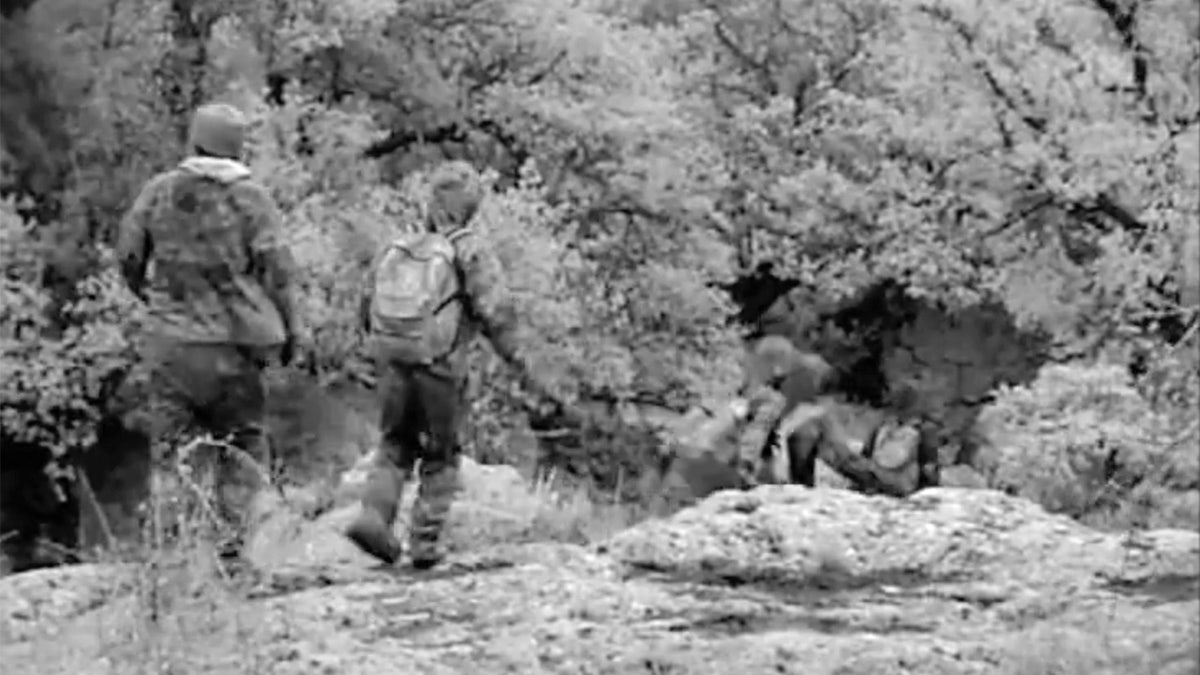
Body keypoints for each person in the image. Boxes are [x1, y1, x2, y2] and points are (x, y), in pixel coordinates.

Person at [345, 159, 561, 570]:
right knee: (441, 453)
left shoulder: (401, 247)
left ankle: (374, 517)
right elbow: (497, 314)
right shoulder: (470, 249)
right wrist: (525, 368)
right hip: (441, 366)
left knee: (394, 443)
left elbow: (365, 303)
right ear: (471, 206)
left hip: (394, 360)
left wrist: (372, 352)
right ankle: (424, 543)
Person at [114, 102, 304, 565]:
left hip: (171, 344)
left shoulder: (159, 191)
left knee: (174, 452)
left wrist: (152, 300)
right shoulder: (250, 198)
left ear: (193, 140)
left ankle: (174, 554)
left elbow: (127, 254)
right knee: (242, 443)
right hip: (235, 346)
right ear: (237, 147)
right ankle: (231, 550)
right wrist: (293, 329)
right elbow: (279, 272)